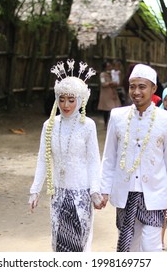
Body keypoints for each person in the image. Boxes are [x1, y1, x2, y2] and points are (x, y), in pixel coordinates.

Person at [99, 63, 167, 252]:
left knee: (151, 246)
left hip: (155, 193)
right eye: (132, 86)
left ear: (153, 88)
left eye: (142, 86)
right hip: (125, 192)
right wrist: (104, 189)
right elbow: (109, 157)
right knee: (128, 246)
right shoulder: (117, 116)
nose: (136, 92)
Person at [28, 60, 103, 252]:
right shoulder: (49, 125)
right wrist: (35, 190)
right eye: (61, 99)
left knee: (80, 242)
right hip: (58, 193)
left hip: (81, 192)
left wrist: (95, 190)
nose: (66, 104)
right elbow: (43, 159)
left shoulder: (88, 126)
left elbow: (94, 160)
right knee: (59, 243)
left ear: (80, 100)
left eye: (71, 100)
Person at [97, 61, 121, 128]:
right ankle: (106, 123)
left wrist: (115, 83)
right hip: (106, 95)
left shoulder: (112, 73)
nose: (110, 67)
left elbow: (117, 82)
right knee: (106, 109)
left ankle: (113, 124)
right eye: (108, 66)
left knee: (114, 109)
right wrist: (110, 83)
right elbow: (103, 84)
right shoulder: (102, 74)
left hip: (113, 94)